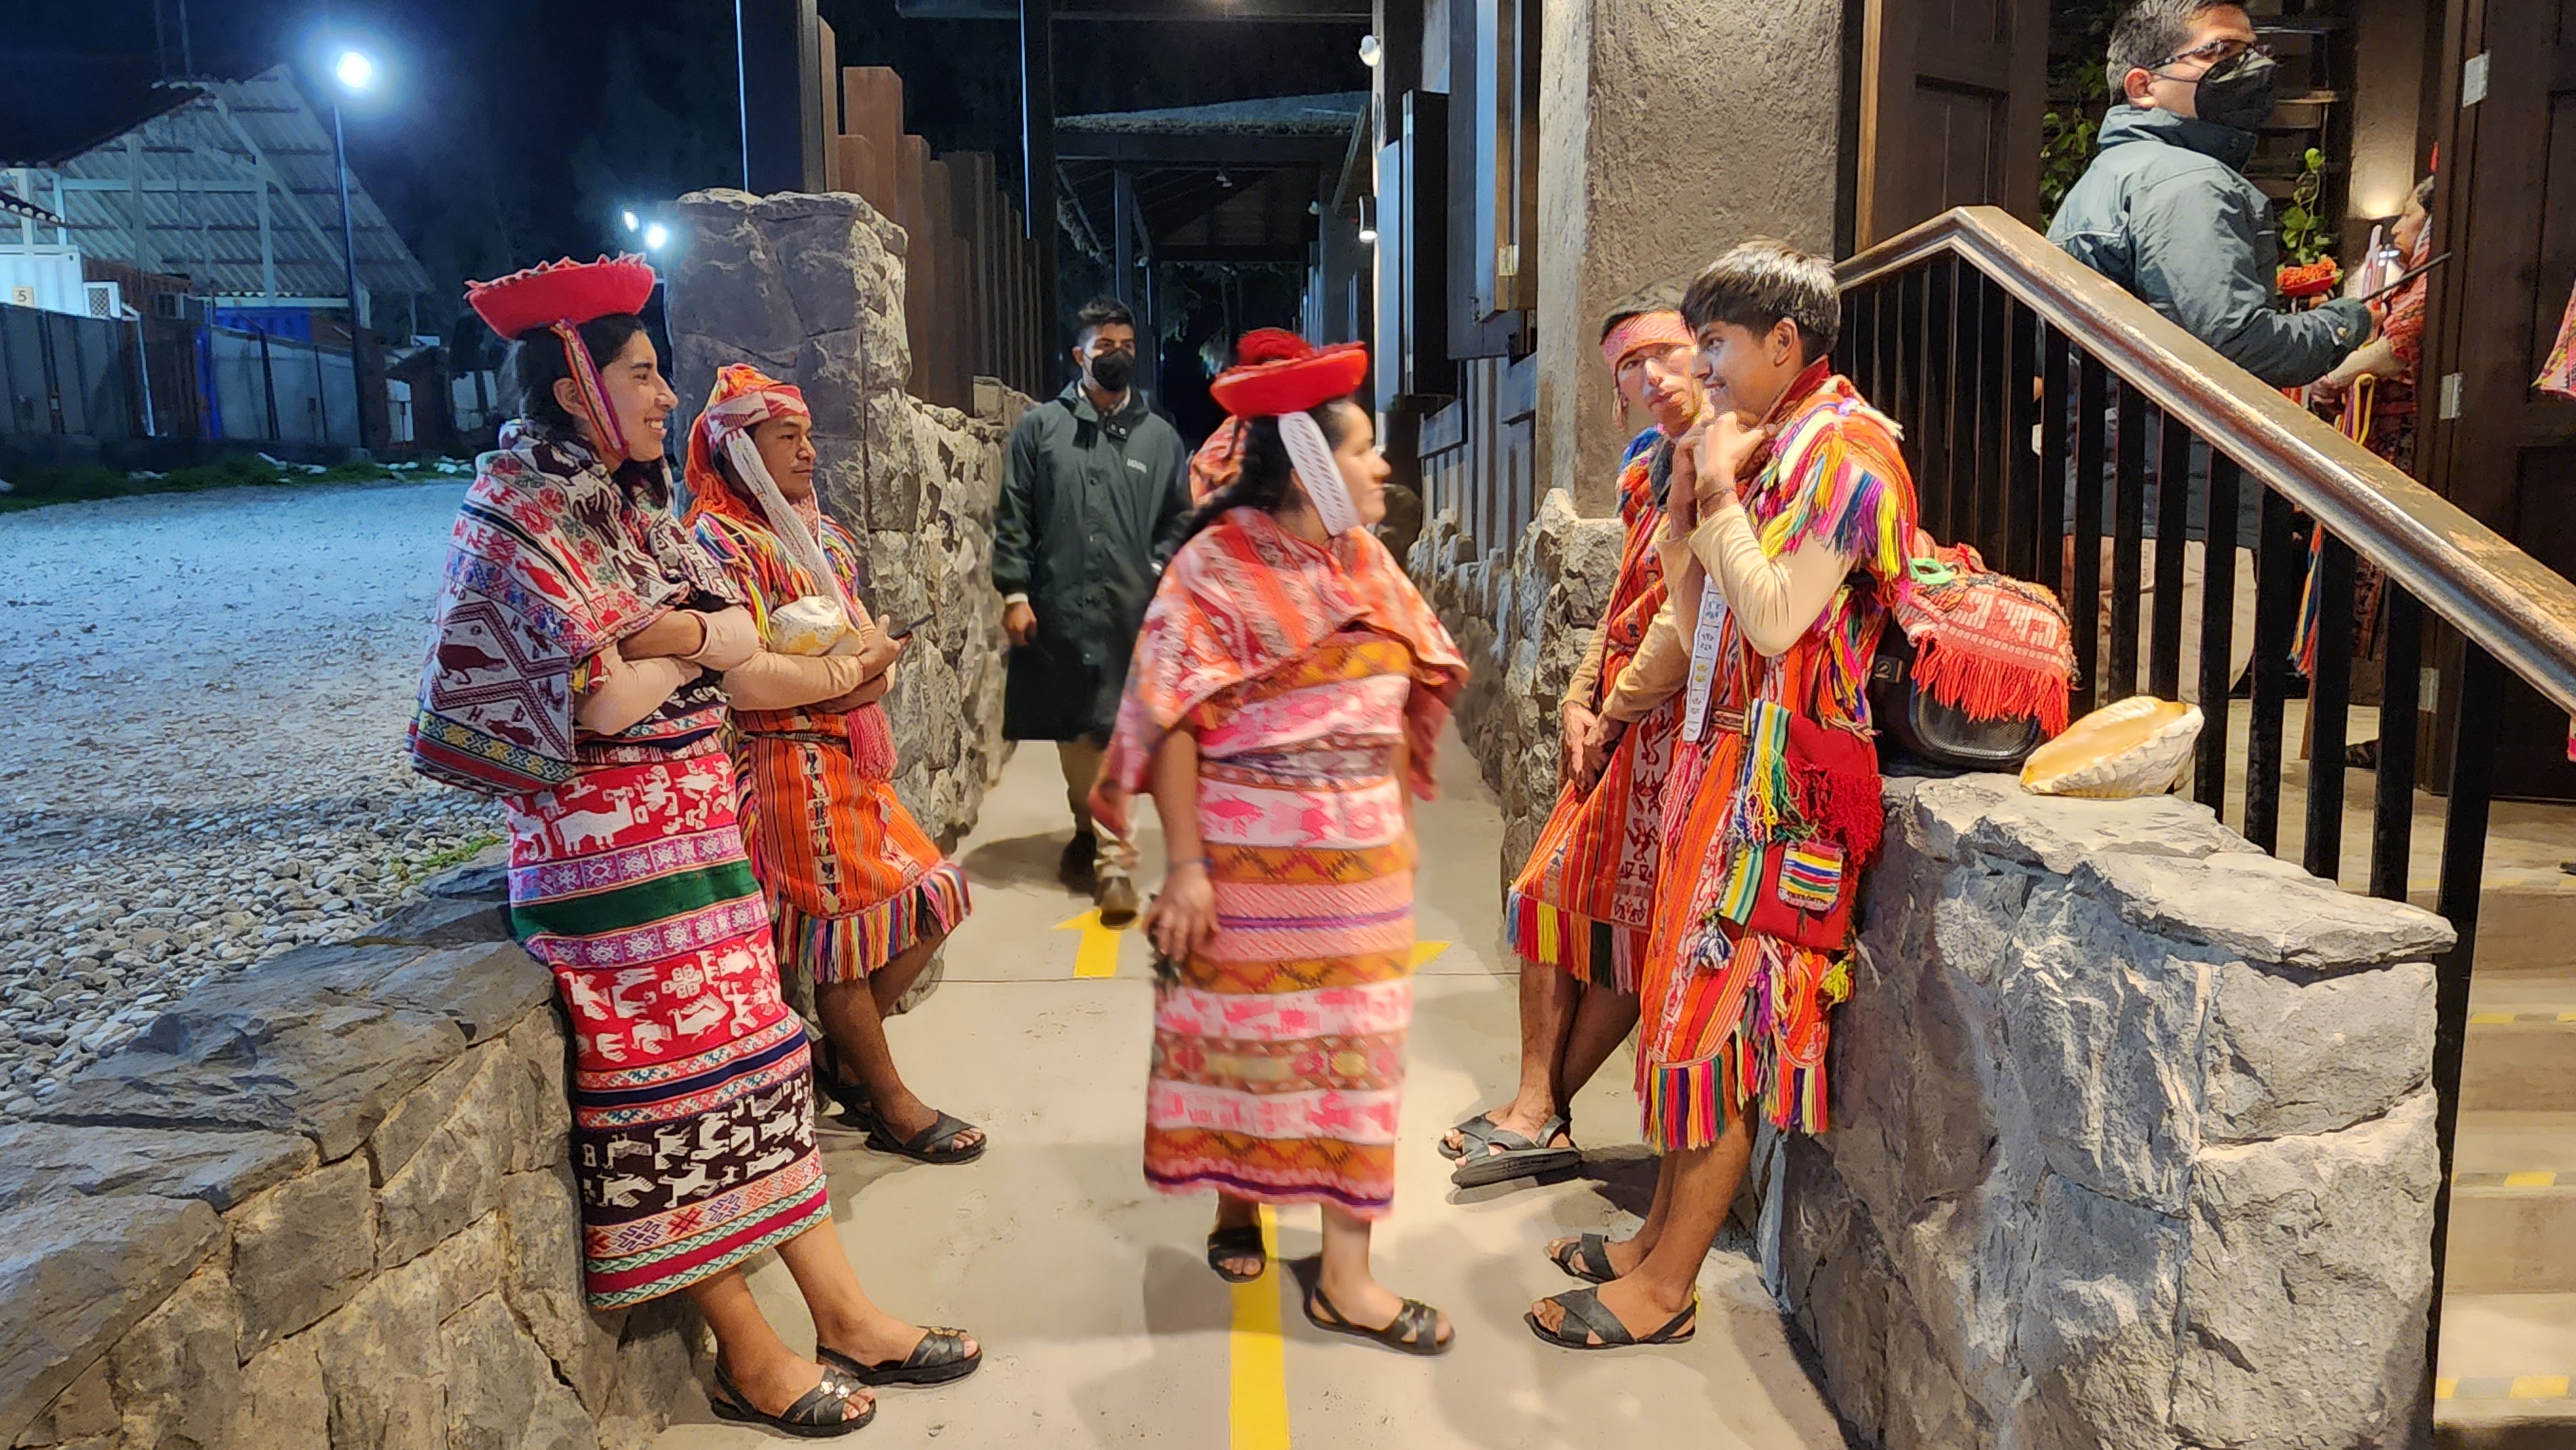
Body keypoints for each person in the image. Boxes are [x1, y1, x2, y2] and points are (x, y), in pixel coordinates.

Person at [413, 257, 977, 1436]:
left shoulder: (630, 517)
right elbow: (599, 701)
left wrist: (699, 647)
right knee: (667, 1097)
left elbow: (732, 657)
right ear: (574, 386)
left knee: (762, 1060)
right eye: (641, 373)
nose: (664, 395)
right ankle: (748, 1353)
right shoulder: (517, 524)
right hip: (605, 869)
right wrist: (689, 645)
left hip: (698, 842)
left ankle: (842, 1312)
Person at [1530, 241, 1913, 1351]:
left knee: (1718, 1030)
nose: (1700, 367)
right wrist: (1700, 498)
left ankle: (1665, 1292)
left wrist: (1716, 491)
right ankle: (1654, 1245)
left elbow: (1777, 618)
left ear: (1785, 342)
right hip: (1724, 766)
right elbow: (1699, 615)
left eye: (1715, 344)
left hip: (1780, 792)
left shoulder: (1849, 454)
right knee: (1681, 1018)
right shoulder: (1771, 441)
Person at [1093, 330, 1468, 1354]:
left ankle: (1347, 1277)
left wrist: (1396, 827)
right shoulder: (1214, 565)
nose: (1383, 465)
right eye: (1364, 449)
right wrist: (1184, 867)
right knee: (1245, 1048)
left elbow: (1405, 692)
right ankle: (1238, 1197)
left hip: (1361, 875)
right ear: (1309, 462)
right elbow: (1171, 714)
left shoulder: (1370, 565)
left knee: (1358, 1060)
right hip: (1244, 869)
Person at [683, 362, 985, 1164]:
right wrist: (857, 670)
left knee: (935, 896)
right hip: (786, 766)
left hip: (847, 758)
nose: (808, 451)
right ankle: (891, 1103)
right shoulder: (717, 546)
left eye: (809, 435)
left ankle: (841, 1060)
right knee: (841, 947)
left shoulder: (823, 539)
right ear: (740, 451)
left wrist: (861, 671)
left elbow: (860, 660)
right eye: (787, 437)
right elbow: (746, 682)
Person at [1440, 285, 1707, 1189]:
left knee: (1626, 925)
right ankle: (1535, 1108)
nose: (1649, 373)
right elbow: (1627, 596)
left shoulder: (1726, 460)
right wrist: (1578, 699)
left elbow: (1684, 618)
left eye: (1664, 351)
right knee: (1552, 900)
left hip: (1675, 725)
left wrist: (1617, 707)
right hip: (1618, 716)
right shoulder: (1645, 467)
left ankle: (1538, 1113)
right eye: (1629, 363)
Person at [2048, 0, 2377, 699]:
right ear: (2142, 85)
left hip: (2113, 504)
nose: (2248, 66)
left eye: (2251, 50)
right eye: (2218, 51)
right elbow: (2231, 342)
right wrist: (2344, 323)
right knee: (2152, 733)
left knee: (2110, 728)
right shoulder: (2187, 182)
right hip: (2172, 514)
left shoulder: (2112, 177)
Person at [994, 296, 1192, 924]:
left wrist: (1156, 572)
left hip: (1132, 618)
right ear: (1078, 354)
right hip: (1060, 610)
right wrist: (1015, 593)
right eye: (1105, 346)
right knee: (1075, 735)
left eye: (1127, 346)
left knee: (1114, 733)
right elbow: (1015, 514)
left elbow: (1181, 520)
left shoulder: (1160, 439)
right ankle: (1087, 825)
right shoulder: (1040, 430)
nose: (1118, 356)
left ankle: (1114, 864)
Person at [2303, 173, 2435, 768]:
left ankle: (2411, 738)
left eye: (2409, 215)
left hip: (2408, 453)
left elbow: (2400, 347)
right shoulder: (2412, 282)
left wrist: (2333, 376)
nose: (2400, 227)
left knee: (2401, 593)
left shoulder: (2433, 283)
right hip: (2381, 445)